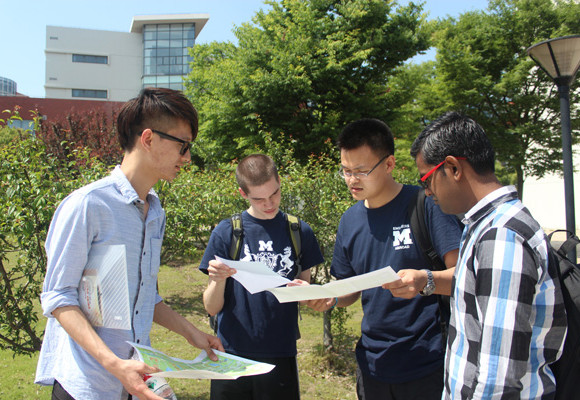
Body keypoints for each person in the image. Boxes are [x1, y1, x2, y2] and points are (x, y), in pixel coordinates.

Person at [35, 87, 224, 400]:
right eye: (183, 145)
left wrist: (193, 334)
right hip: (88, 386)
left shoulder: (155, 211)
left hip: (135, 381)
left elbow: (142, 297)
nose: (187, 157)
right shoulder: (88, 205)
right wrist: (114, 364)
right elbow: (58, 298)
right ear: (148, 139)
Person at [410, 111, 567, 399]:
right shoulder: (485, 224)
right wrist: (426, 280)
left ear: (453, 168)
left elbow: (499, 376)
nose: (427, 192)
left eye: (426, 180)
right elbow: (476, 286)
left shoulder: (502, 236)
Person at [309, 118, 462, 400]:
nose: (352, 179)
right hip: (372, 365)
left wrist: (424, 280)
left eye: (362, 170)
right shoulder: (350, 220)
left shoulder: (425, 204)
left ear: (389, 164)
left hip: (427, 362)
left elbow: (464, 277)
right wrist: (328, 297)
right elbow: (348, 292)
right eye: (345, 171)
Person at [199, 153, 324, 400]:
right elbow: (211, 308)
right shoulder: (228, 232)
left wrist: (306, 291)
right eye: (259, 198)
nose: (269, 203)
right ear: (242, 194)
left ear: (279, 182)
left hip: (280, 351)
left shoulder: (299, 231)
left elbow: (305, 291)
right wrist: (218, 279)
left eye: (275, 193)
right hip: (232, 352)